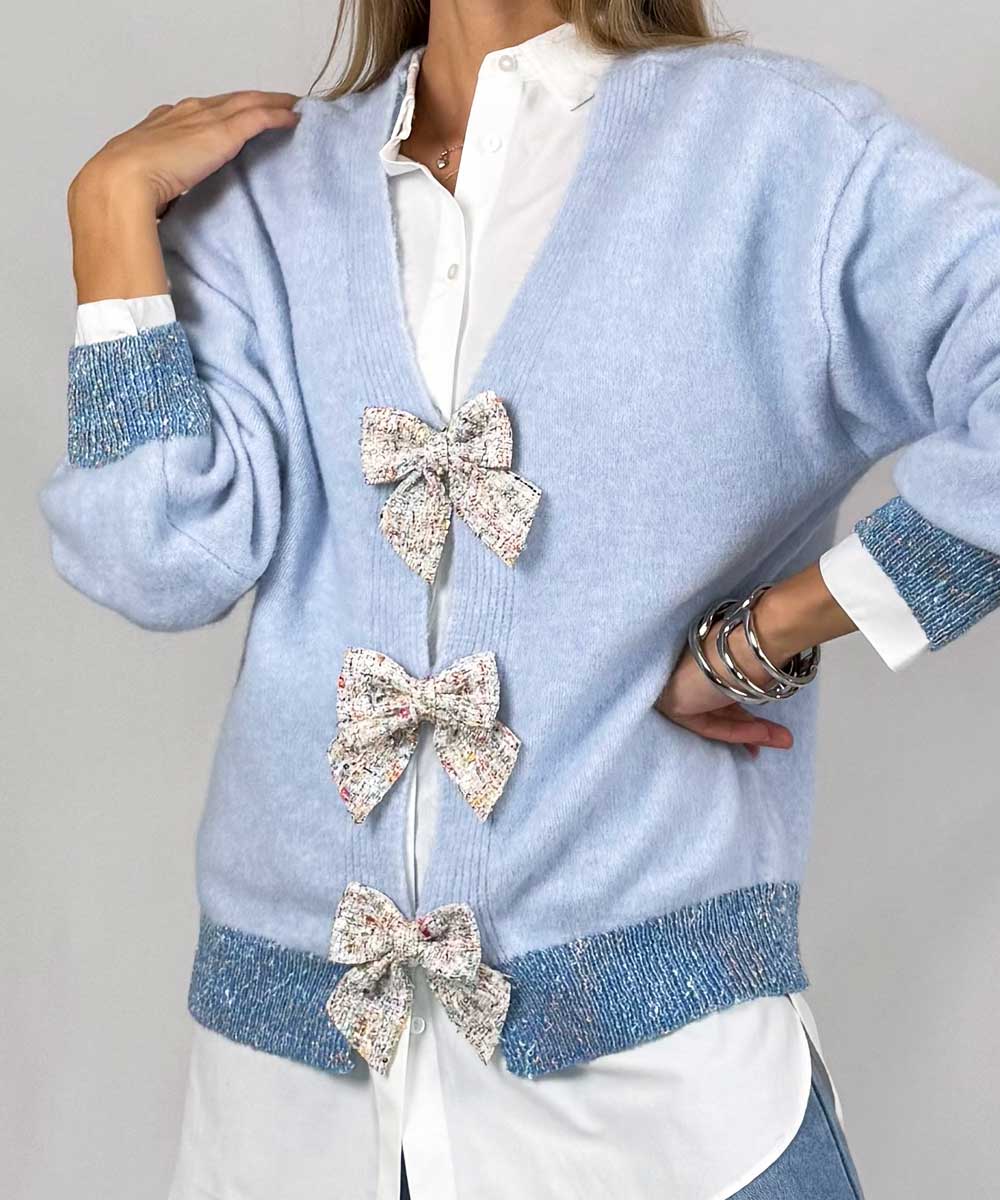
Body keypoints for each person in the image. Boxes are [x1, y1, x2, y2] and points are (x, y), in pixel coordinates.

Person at [39, 2, 1000, 1197]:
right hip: (296, 1126)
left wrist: (773, 631)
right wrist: (108, 215)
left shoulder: (775, 149)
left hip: (662, 1120)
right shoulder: (267, 193)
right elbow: (157, 559)